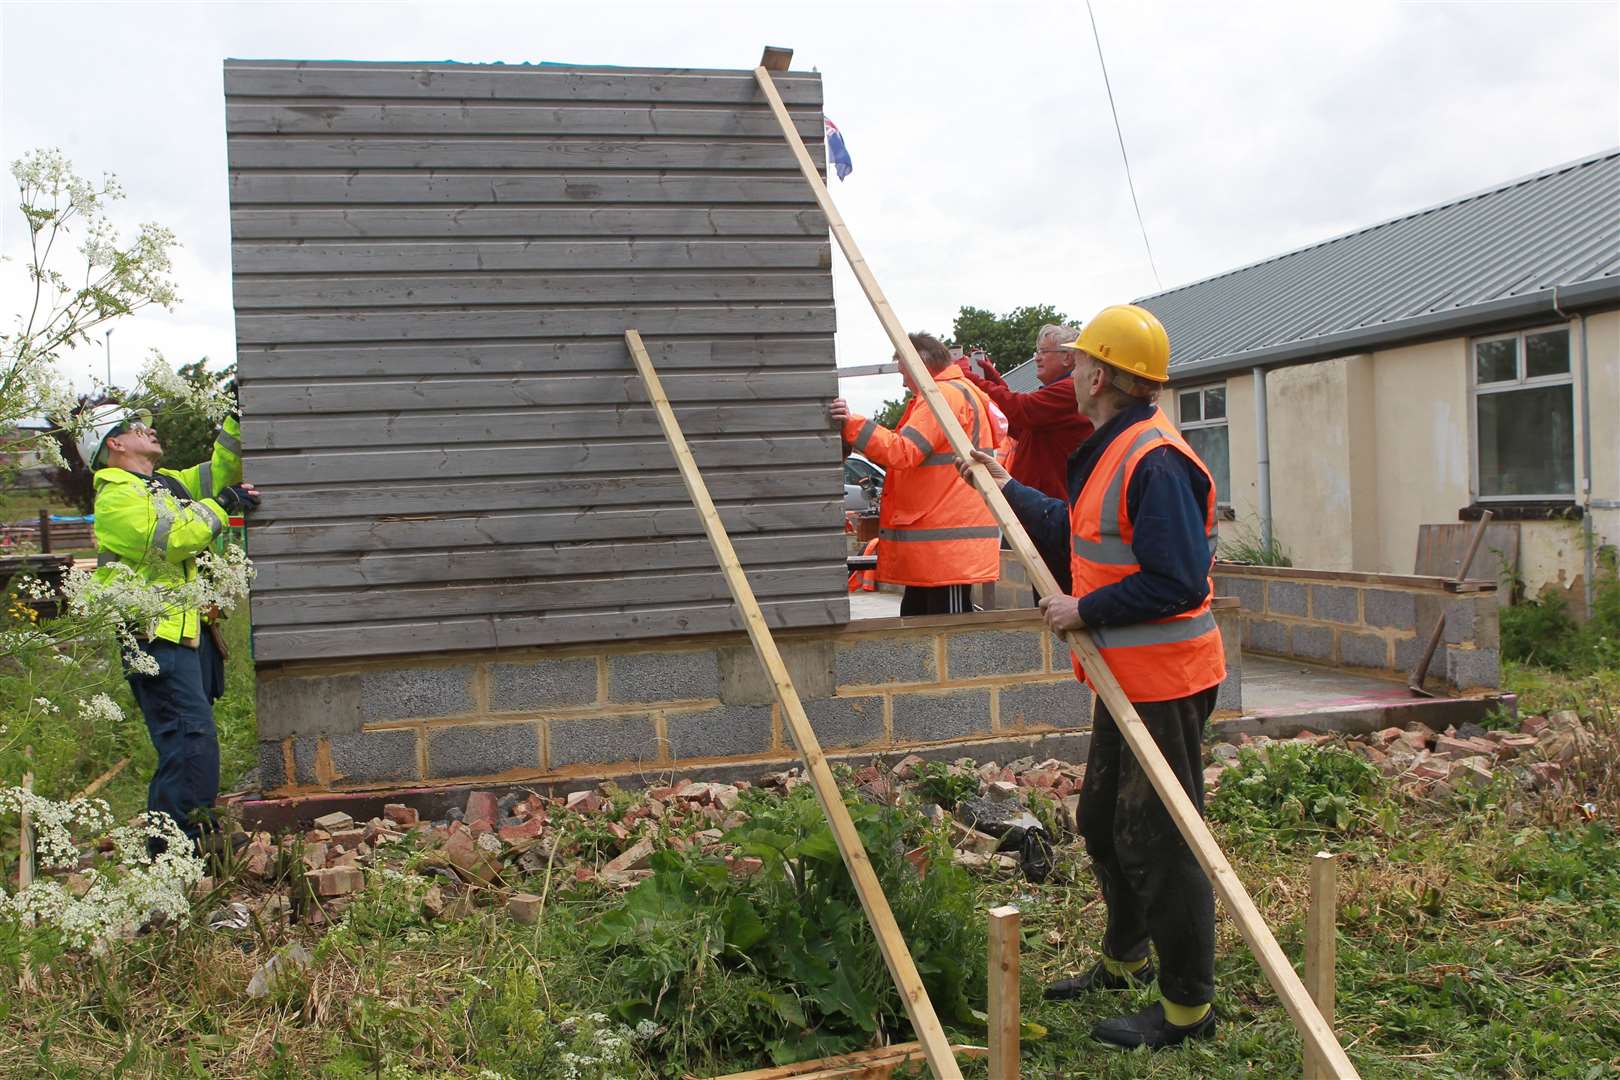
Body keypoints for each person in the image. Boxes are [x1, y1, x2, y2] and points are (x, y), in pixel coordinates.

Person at [961, 304, 1224, 1049]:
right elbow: (1078, 529)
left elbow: (1178, 577)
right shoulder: (1115, 447)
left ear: (1100, 374)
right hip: (1126, 674)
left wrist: (1085, 608)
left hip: (1166, 678)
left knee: (1159, 839)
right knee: (1104, 823)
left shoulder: (1155, 459)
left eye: (1078, 363)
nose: (1070, 373)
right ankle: (1125, 961)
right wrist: (999, 485)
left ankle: (1186, 1009)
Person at [79, 400, 260, 849]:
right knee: (187, 740)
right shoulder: (117, 495)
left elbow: (223, 471)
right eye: (136, 426)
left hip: (185, 631)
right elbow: (171, 541)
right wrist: (220, 508)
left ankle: (193, 836)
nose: (149, 429)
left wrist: (238, 412)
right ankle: (178, 846)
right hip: (153, 637)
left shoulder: (168, 484)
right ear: (114, 443)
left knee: (194, 739)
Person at [829, 333, 1003, 616]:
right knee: (922, 625)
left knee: (950, 633)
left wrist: (852, 424)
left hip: (947, 546)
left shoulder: (942, 396)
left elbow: (903, 451)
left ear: (919, 364)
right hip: (941, 545)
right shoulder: (952, 393)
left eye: (904, 373)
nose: (903, 382)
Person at [958, 324, 1095, 503]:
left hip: (1047, 506)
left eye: (1043, 352)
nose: (1037, 358)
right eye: (1037, 352)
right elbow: (1021, 425)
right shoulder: (1062, 391)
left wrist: (970, 378)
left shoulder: (1069, 389)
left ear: (1067, 357)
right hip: (1041, 503)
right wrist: (993, 381)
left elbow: (1023, 410)